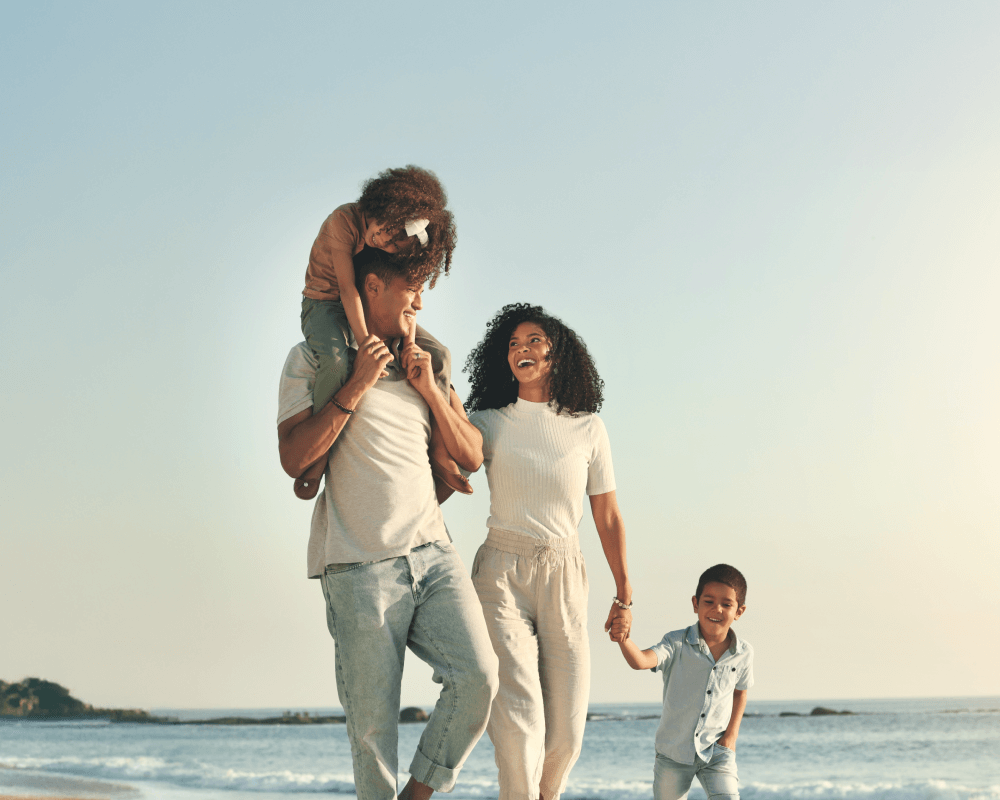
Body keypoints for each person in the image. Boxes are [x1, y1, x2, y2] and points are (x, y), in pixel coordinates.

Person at [276, 247, 499, 800]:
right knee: (373, 736)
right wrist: (356, 382)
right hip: (357, 568)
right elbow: (294, 458)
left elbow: (472, 452)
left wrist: (430, 390)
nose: (421, 299)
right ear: (371, 286)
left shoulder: (427, 362)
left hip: (434, 554)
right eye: (411, 286)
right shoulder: (312, 360)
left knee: (478, 679)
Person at [459, 302, 633, 800]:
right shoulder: (487, 421)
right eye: (513, 344)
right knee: (518, 723)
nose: (522, 350)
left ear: (559, 355)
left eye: (534, 340)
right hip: (500, 572)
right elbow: (449, 471)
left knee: (566, 734)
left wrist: (624, 593)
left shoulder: (588, 427)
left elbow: (607, 516)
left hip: (564, 573)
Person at [295, 165, 470, 501]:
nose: (384, 243)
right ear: (382, 209)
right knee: (335, 361)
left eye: (393, 246)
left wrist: (409, 343)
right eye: (387, 233)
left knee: (440, 355)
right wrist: (365, 344)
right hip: (325, 304)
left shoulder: (390, 242)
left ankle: (440, 452)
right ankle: (317, 458)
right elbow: (347, 290)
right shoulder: (342, 224)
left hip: (363, 303)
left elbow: (402, 300)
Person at [611, 564, 754, 800]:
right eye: (708, 601)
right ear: (695, 603)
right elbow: (641, 661)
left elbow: (740, 692)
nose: (716, 609)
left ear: (739, 611)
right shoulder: (675, 643)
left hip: (717, 752)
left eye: (726, 604)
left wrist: (731, 737)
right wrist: (623, 639)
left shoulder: (744, 652)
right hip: (673, 753)